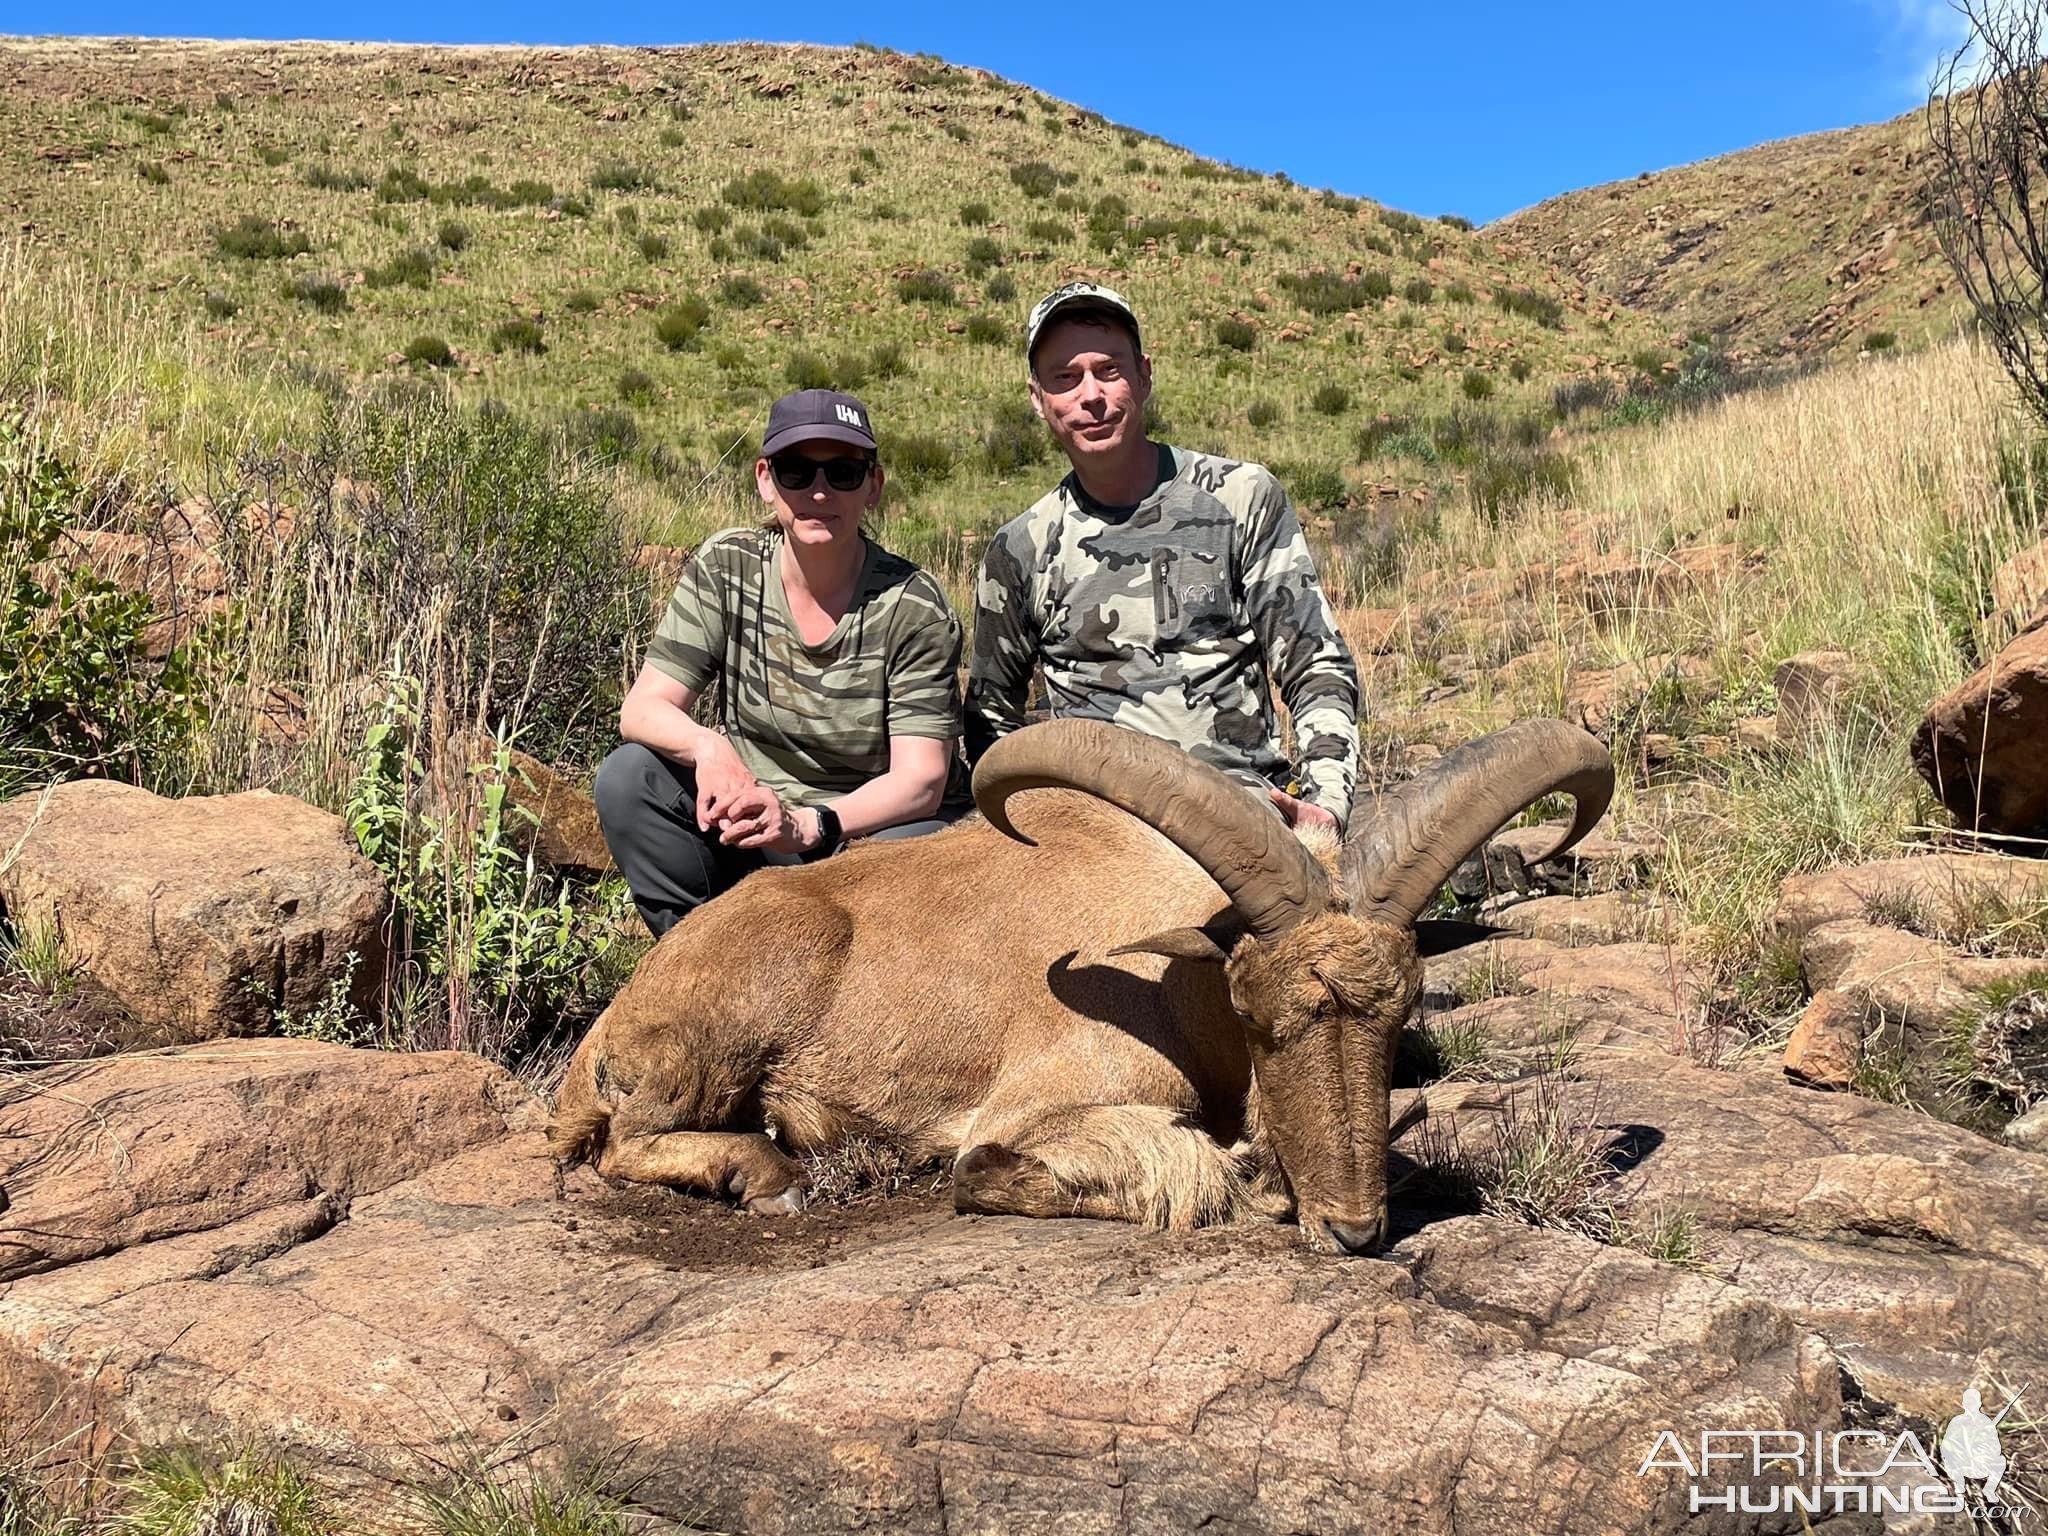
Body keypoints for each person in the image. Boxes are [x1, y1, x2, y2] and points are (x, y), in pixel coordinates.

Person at [965, 282, 1362, 832]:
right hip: (1096, 836)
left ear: (1144, 376)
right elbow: (990, 723)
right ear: (1038, 399)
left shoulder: (1240, 496)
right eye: (1065, 377)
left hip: (1243, 819)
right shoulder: (1019, 548)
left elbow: (1315, 662)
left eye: (1108, 370)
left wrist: (1326, 805)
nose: (1091, 396)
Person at [596, 388, 971, 938]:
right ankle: (695, 958)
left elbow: (922, 781)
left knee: (914, 853)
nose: (819, 492)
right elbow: (644, 709)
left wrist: (809, 825)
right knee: (629, 778)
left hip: (862, 831)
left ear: (874, 485)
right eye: (798, 472)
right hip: (752, 817)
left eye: (843, 472)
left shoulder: (914, 606)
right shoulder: (728, 565)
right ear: (766, 479)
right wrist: (711, 749)